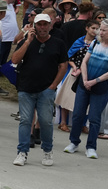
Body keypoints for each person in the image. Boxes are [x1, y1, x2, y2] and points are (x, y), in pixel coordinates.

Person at [10, 13, 68, 166]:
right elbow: (15, 60)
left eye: (45, 24)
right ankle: (22, 152)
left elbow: (63, 65)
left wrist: (53, 86)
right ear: (34, 26)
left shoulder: (58, 43)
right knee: (25, 120)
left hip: (46, 89)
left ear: (50, 25)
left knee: (46, 121)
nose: (42, 27)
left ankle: (47, 151)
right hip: (26, 88)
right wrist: (28, 41)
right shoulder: (26, 42)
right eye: (39, 24)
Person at [65, 19, 108, 158]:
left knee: (94, 118)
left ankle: (91, 146)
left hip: (101, 87)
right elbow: (85, 62)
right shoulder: (95, 42)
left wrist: (94, 81)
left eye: (104, 30)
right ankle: (74, 142)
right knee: (78, 115)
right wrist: (85, 79)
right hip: (84, 85)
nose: (100, 32)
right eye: (100, 29)